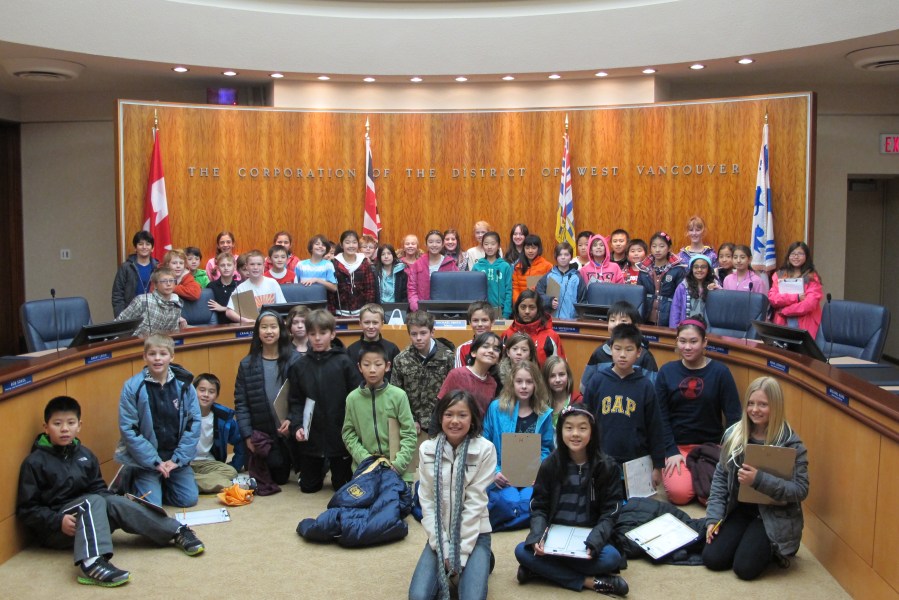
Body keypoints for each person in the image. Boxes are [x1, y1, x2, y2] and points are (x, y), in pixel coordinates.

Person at [16, 396, 204, 588]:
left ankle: (176, 531)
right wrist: (57, 521)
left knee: (112, 500)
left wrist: (122, 504)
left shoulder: (86, 455)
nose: (64, 429)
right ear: (46, 427)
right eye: (57, 424)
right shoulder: (34, 462)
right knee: (93, 501)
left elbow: (99, 490)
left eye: (70, 423)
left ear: (79, 425)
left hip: (91, 518)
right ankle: (92, 563)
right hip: (58, 528)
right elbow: (27, 509)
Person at [513, 406, 629, 597]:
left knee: (612, 558)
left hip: (587, 538)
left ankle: (542, 571)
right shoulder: (550, 464)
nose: (575, 434)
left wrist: (596, 539)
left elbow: (611, 511)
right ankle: (588, 581)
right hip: (555, 535)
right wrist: (538, 535)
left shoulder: (606, 466)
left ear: (592, 431)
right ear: (560, 431)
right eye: (569, 428)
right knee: (522, 551)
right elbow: (539, 506)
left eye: (582, 428)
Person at [703, 377, 809, 580]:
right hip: (740, 509)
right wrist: (713, 519)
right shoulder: (734, 434)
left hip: (773, 515)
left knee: (744, 569)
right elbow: (720, 479)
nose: (755, 410)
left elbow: (801, 490)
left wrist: (759, 480)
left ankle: (774, 549)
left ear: (776, 407)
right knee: (712, 559)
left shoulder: (791, 443)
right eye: (751, 403)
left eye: (763, 404)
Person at [408, 391, 496, 600]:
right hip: (440, 534)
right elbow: (427, 503)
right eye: (449, 414)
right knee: (418, 597)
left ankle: (482, 558)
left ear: (473, 418)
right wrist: (445, 550)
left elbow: (475, 505)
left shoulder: (486, 449)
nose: (455, 421)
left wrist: (460, 555)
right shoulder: (427, 449)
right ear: (440, 417)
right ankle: (477, 563)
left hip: (475, 535)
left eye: (462, 415)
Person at [655, 318, 742, 505]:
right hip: (678, 448)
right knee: (679, 495)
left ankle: (698, 479)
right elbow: (660, 416)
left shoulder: (721, 372)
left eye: (693, 341)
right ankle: (691, 478)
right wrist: (670, 451)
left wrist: (726, 452)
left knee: (710, 498)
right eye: (682, 341)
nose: (687, 347)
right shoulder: (666, 372)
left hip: (712, 447)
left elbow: (735, 417)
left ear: (705, 343)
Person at [583, 325, 676, 487]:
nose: (623, 355)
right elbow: (585, 421)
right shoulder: (597, 381)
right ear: (610, 349)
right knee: (602, 503)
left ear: (639, 352)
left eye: (629, 349)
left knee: (635, 508)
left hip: (637, 462)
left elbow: (655, 428)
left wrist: (658, 465)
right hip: (601, 458)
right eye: (618, 349)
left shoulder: (646, 387)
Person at [115, 334, 200, 507]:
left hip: (174, 458)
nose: (158, 358)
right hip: (146, 461)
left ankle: (162, 484)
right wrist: (154, 461)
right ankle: (136, 479)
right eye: (152, 354)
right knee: (152, 506)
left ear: (172, 356)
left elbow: (194, 424)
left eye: (163, 353)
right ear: (145, 356)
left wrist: (176, 460)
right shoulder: (132, 387)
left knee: (188, 499)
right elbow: (129, 429)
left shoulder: (185, 385)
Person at [288, 309, 363, 493]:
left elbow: (356, 398)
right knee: (309, 487)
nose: (317, 338)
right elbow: (295, 401)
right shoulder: (300, 366)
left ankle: (334, 465)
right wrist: (297, 425)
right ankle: (320, 467)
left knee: (342, 487)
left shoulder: (344, 362)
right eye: (312, 334)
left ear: (333, 334)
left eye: (322, 333)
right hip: (312, 439)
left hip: (340, 439)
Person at [482, 360, 555, 531]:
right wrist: (495, 472)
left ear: (536, 384)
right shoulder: (496, 408)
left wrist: (539, 472)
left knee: (530, 500)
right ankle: (523, 515)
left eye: (529, 382)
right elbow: (485, 444)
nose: (524, 386)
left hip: (531, 478)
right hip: (503, 476)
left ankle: (512, 516)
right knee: (511, 501)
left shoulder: (544, 412)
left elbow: (546, 448)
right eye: (519, 382)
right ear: (511, 383)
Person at [234, 311, 300, 492]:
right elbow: (241, 403)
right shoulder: (246, 364)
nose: (269, 331)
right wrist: (247, 436)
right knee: (275, 476)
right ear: (257, 332)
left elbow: (302, 397)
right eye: (264, 327)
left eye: (273, 327)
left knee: (283, 477)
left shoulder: (295, 360)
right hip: (262, 432)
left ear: (281, 330)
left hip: (289, 430)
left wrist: (292, 419)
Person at [342, 345, 418, 484]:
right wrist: (365, 459)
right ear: (359, 367)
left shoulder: (399, 396)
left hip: (397, 468)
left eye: (378, 364)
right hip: (365, 468)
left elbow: (409, 433)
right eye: (366, 364)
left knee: (394, 503)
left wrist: (398, 464)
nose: (372, 370)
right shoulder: (352, 398)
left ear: (387, 366)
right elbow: (348, 433)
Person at [392, 310, 455, 435]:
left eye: (423, 333)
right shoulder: (401, 359)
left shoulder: (447, 356)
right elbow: (396, 394)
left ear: (432, 332)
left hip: (442, 422)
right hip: (412, 425)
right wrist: (410, 419)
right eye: (414, 334)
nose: (419, 338)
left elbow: (454, 392)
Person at [582, 301, 658, 393]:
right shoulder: (599, 352)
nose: (617, 324)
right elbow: (584, 387)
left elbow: (652, 391)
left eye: (623, 321)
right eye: (612, 320)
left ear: (635, 326)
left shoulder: (645, 356)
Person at [190, 373, 246, 493]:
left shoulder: (223, 417)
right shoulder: (183, 413)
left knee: (231, 472)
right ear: (193, 391)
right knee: (175, 474)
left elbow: (240, 441)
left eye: (211, 392)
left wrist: (236, 464)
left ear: (216, 395)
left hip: (208, 463)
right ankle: (214, 483)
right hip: (186, 463)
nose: (206, 395)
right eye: (202, 390)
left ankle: (189, 483)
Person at [438, 331, 502, 418]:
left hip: (479, 430)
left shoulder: (493, 383)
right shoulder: (456, 374)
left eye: (496, 349)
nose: (491, 351)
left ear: (498, 359)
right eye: (485, 346)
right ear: (473, 352)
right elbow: (440, 406)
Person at [768, 241, 823, 337]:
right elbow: (773, 298)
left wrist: (785, 310)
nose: (796, 256)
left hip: (804, 323)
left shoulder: (812, 277)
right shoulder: (779, 275)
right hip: (781, 323)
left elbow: (809, 304)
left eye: (800, 254)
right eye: (793, 254)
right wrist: (796, 297)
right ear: (788, 256)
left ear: (806, 257)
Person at [502, 289, 565, 367]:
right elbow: (501, 367)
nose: (527, 311)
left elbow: (560, 368)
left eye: (532, 307)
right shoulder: (507, 334)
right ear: (517, 309)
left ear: (538, 310)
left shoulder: (551, 336)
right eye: (523, 307)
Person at [115, 267, 184, 337]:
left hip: (161, 345)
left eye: (171, 281)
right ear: (155, 285)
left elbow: (174, 332)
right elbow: (120, 322)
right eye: (164, 281)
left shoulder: (177, 305)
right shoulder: (142, 300)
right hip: (137, 344)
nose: (168, 284)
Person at [638, 231, 687, 327]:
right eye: (654, 246)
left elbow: (681, 297)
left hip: (668, 319)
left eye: (661, 246)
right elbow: (639, 295)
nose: (657, 250)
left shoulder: (678, 269)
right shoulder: (643, 269)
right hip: (645, 318)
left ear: (669, 248)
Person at [226, 250, 287, 323]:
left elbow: (282, 307)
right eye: (252, 264)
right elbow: (229, 312)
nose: (255, 267)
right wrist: (245, 321)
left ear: (264, 266)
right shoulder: (241, 288)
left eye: (259, 264)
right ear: (246, 266)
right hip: (251, 327)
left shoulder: (272, 283)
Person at [329, 230, 378, 317]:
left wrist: (367, 311)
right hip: (339, 313)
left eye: (354, 242)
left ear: (358, 245)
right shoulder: (334, 263)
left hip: (362, 313)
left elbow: (370, 289)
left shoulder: (364, 262)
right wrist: (332, 313)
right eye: (347, 242)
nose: (351, 245)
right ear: (341, 245)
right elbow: (330, 292)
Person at [408, 229, 459, 311]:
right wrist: (417, 308)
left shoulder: (450, 264)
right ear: (426, 244)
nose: (434, 245)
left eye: (438, 242)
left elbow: (456, 288)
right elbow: (412, 289)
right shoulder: (417, 264)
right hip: (422, 311)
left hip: (445, 310)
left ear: (442, 244)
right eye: (431, 242)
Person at [346, 303, 401, 377]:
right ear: (360, 323)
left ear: (382, 324)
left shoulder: (392, 349)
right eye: (367, 322)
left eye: (375, 323)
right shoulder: (351, 350)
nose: (371, 326)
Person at [111, 230, 158, 317]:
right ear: (135, 248)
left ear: (152, 248)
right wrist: (121, 316)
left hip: (153, 313)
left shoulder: (158, 268)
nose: (144, 247)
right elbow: (117, 295)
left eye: (148, 244)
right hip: (130, 314)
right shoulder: (125, 267)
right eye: (140, 244)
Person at [536, 241, 586, 320]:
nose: (563, 257)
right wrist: (549, 302)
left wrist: (579, 319)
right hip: (551, 321)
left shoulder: (577, 277)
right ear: (556, 257)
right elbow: (537, 295)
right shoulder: (549, 276)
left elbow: (583, 302)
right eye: (560, 255)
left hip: (572, 321)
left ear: (571, 257)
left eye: (566, 255)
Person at [668, 255, 720, 328]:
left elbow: (721, 306)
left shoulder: (715, 285)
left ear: (708, 269)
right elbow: (675, 309)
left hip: (708, 329)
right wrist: (674, 329)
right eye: (696, 267)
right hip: (687, 328)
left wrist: (715, 290)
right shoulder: (683, 286)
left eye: (703, 267)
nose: (699, 270)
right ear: (691, 269)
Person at [471, 231, 512, 319]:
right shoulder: (477, 266)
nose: (489, 247)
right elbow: (473, 292)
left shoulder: (505, 266)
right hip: (481, 311)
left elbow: (509, 291)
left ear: (498, 246)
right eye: (486, 244)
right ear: (482, 246)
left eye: (493, 244)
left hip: (500, 311)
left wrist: (506, 313)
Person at [512, 234, 553, 304]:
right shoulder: (518, 267)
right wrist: (520, 303)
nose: (530, 251)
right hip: (521, 306)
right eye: (527, 248)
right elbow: (515, 289)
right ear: (523, 249)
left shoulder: (547, 266)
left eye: (533, 248)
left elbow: (552, 291)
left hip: (540, 307)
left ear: (538, 249)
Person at [542, 356, 582, 426]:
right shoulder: (540, 404)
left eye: (561, 374)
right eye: (552, 376)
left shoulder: (579, 401)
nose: (558, 380)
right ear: (546, 379)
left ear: (568, 376)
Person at [455, 301, 497, 368]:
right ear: (470, 323)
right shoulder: (462, 349)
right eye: (475, 320)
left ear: (492, 322)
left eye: (484, 320)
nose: (480, 324)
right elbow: (459, 376)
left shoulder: (502, 348)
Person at [207, 252, 239, 324]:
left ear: (234, 267)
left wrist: (223, 308)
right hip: (217, 327)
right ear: (218, 268)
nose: (226, 268)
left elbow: (243, 309)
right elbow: (209, 309)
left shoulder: (239, 286)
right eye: (222, 265)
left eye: (229, 265)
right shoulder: (211, 286)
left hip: (236, 325)